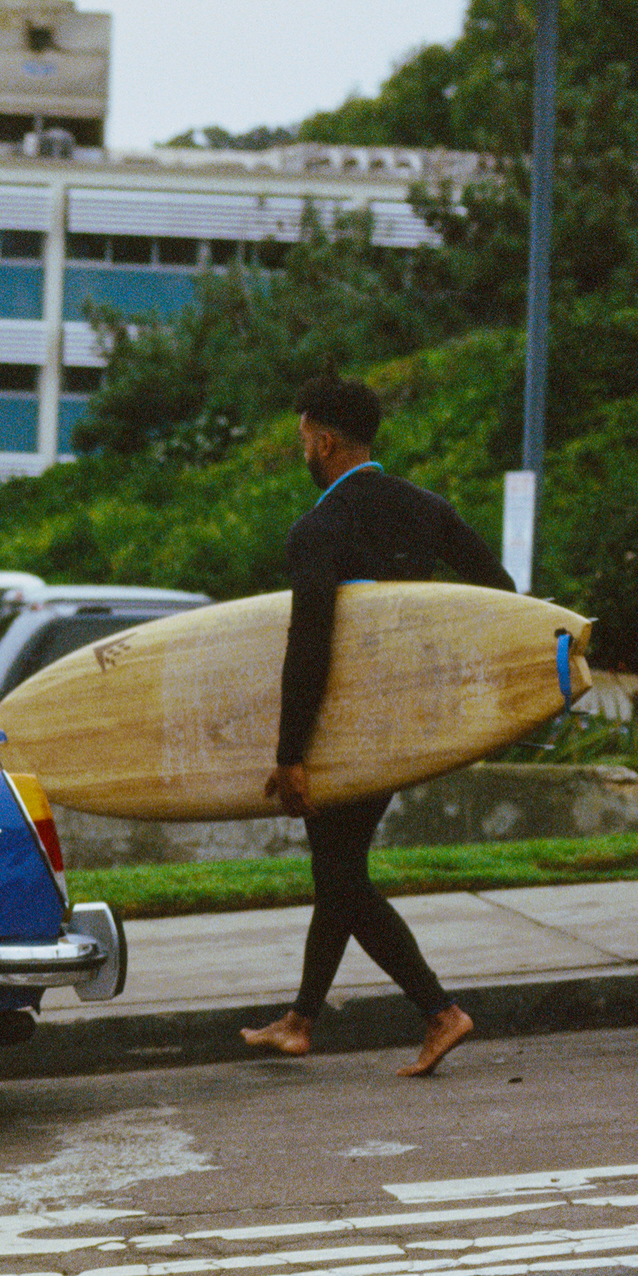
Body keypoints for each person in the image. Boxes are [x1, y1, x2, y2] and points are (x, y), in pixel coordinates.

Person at [241, 376, 513, 1077]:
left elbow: (311, 644)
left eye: (304, 439)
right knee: (339, 867)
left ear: (324, 441)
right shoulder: (426, 509)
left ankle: (439, 1012)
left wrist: (290, 753)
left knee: (338, 873)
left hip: (340, 730)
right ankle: (301, 1020)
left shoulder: (319, 529)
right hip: (407, 725)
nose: (304, 450)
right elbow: (501, 596)